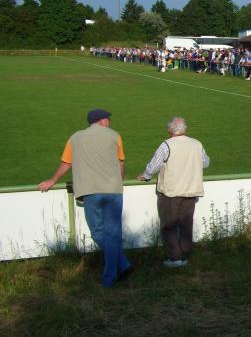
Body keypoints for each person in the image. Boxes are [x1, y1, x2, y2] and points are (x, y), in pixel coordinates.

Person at [38, 109, 132, 287]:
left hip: (89, 191)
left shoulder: (75, 137)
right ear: (101, 121)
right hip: (113, 190)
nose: (109, 122)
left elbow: (67, 162)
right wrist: (120, 180)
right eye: (108, 119)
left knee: (97, 232)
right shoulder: (114, 136)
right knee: (113, 234)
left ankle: (112, 275)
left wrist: (52, 180)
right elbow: (121, 162)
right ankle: (121, 266)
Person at [137, 117, 210, 268]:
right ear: (185, 130)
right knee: (186, 224)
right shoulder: (196, 144)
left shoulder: (166, 145)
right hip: (190, 192)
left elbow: (153, 166)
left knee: (169, 225)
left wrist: (145, 176)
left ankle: (175, 258)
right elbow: (206, 162)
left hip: (171, 192)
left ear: (170, 130)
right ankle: (184, 254)